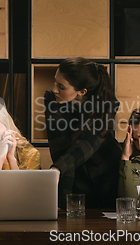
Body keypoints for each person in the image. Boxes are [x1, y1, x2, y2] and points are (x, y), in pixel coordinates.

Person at [44, 57, 121, 209]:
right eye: (55, 82)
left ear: (81, 91)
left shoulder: (108, 102)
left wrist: (59, 168)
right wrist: (64, 200)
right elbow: (60, 147)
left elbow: (90, 142)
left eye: (61, 86)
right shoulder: (52, 97)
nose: (55, 89)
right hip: (72, 169)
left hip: (105, 169)